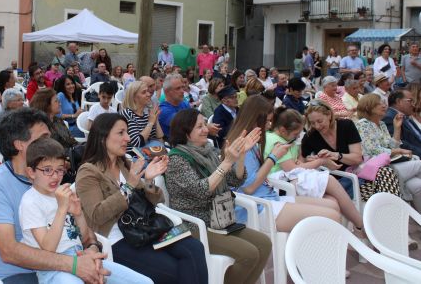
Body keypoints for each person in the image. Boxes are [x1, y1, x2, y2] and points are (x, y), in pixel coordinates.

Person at [0, 107, 108, 283]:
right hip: (11, 275)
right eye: (44, 137)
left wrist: (91, 249)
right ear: (19, 144)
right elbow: (9, 251)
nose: (50, 142)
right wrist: (74, 265)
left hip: (59, 262)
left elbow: (79, 229)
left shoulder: (49, 179)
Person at [76, 113, 208, 284]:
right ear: (102, 137)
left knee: (195, 248)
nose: (128, 138)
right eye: (121, 133)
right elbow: (97, 215)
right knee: (173, 270)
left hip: (144, 228)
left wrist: (149, 181)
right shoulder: (88, 171)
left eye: (127, 132)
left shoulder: (124, 164)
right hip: (117, 238)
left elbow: (156, 202)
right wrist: (129, 185)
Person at [19, 137, 151, 284]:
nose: (55, 176)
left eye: (60, 170)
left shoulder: (63, 192)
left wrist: (78, 214)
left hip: (81, 257)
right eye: (47, 170)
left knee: (144, 282)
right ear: (31, 172)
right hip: (53, 269)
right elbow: (48, 248)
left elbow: (84, 237)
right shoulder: (30, 202)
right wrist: (62, 210)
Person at [165, 109, 271, 284]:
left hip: (220, 219)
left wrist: (241, 154)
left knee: (264, 244)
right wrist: (227, 161)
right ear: (185, 132)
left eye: (204, 124)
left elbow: (234, 180)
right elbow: (201, 190)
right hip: (195, 224)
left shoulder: (209, 150)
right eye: (199, 126)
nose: (205, 129)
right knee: (249, 254)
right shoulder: (177, 159)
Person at [230, 96, 342, 233]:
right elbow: (249, 188)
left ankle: (319, 250)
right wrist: (273, 157)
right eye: (268, 121)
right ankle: (328, 251)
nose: (269, 125)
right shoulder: (241, 144)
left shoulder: (251, 141)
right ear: (256, 119)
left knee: (333, 205)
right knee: (332, 216)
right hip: (256, 207)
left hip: (267, 198)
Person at [264, 107, 365, 231]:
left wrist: (310, 161)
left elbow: (296, 164)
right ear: (283, 130)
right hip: (281, 185)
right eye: (296, 135)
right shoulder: (277, 142)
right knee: (330, 180)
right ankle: (360, 226)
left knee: (333, 201)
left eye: (319, 121)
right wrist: (321, 161)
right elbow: (291, 168)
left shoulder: (278, 138)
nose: (316, 126)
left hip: (286, 181)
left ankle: (341, 235)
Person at [355, 94, 421, 211]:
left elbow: (390, 146)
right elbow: (372, 150)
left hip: (392, 163)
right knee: (419, 163)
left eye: (384, 103)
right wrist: (399, 150)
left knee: (417, 186)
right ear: (369, 107)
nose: (384, 105)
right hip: (380, 169)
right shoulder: (362, 124)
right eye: (380, 103)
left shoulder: (381, 124)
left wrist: (397, 128)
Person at [301, 100, 363, 196]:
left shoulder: (346, 126)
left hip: (355, 175)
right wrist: (313, 160)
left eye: (320, 121)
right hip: (332, 182)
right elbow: (302, 162)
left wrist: (335, 155)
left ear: (329, 115)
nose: (317, 126)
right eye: (312, 123)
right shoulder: (310, 136)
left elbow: (357, 159)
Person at [120, 81, 164, 154]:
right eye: (144, 92)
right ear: (134, 97)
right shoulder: (127, 113)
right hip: (133, 155)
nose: (148, 94)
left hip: (147, 153)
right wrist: (150, 123)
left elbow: (160, 139)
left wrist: (155, 119)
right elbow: (137, 143)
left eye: (148, 91)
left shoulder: (147, 115)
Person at [383, 90, 421, 157]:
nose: (413, 104)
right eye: (410, 101)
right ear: (398, 101)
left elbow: (418, 135)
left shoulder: (404, 115)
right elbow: (401, 143)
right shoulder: (389, 118)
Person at [158, 74, 190, 140]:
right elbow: (186, 125)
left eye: (182, 87)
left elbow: (197, 118)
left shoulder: (184, 103)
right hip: (176, 146)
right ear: (167, 92)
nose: (182, 91)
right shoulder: (163, 110)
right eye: (178, 88)